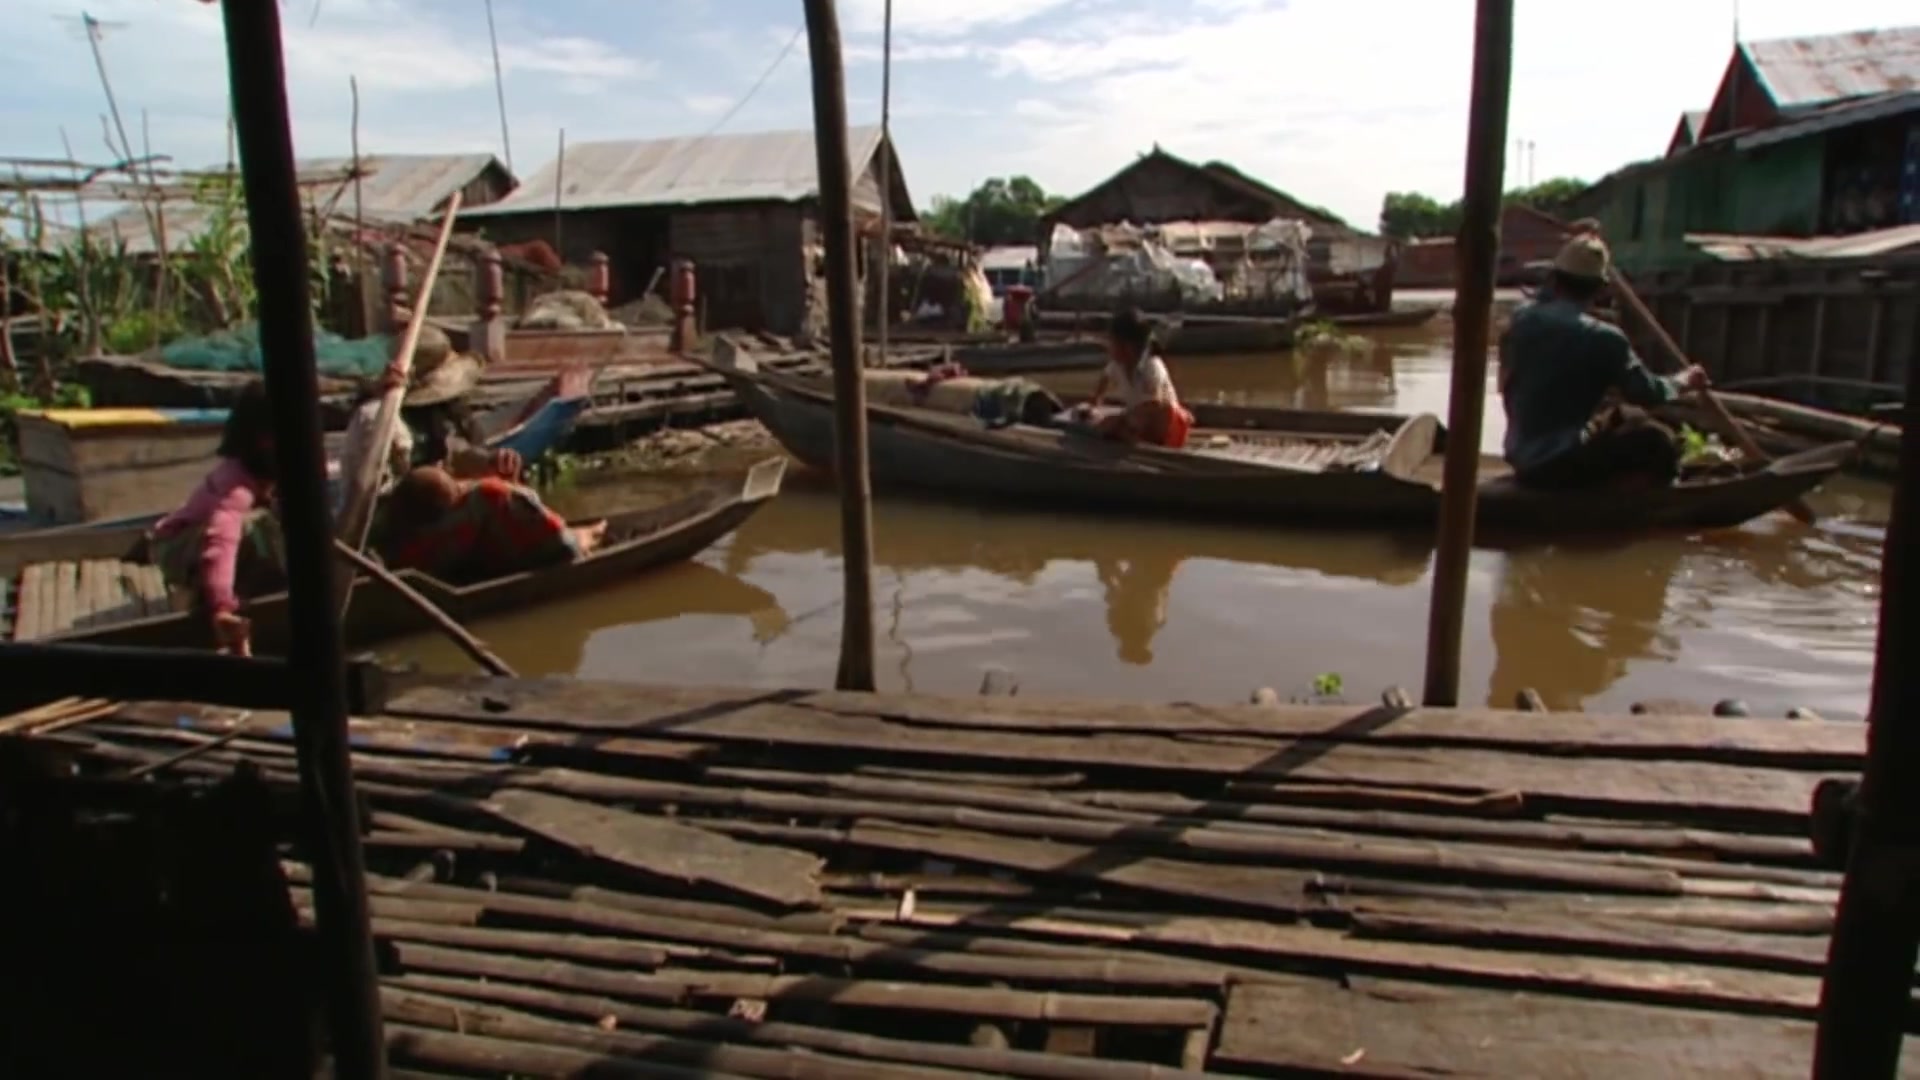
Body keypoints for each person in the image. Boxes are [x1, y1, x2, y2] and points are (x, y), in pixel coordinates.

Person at [1499, 233, 1710, 491]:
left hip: (1520, 456)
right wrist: (1685, 379)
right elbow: (1649, 393)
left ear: (1554, 279)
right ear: (1601, 289)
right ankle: (1631, 498)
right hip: (1554, 465)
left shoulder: (1521, 319)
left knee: (1627, 415)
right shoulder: (1606, 338)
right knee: (1659, 441)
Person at [147, 380, 286, 656]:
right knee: (255, 525)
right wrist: (222, 608)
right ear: (262, 439)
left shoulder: (269, 474)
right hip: (175, 548)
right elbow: (220, 543)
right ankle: (208, 598)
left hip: (208, 544)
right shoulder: (235, 487)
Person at [338, 325, 522, 506]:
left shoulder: (440, 415)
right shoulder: (377, 419)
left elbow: (455, 451)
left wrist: (490, 461)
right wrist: (434, 483)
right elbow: (380, 499)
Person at [380, 465, 608, 583]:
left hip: (535, 547)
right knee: (576, 537)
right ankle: (592, 533)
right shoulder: (448, 522)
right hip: (506, 552)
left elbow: (557, 537)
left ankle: (593, 533)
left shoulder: (490, 496)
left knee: (576, 539)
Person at [1078, 307, 1195, 449]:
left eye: (1112, 342)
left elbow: (1154, 404)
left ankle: (1140, 443)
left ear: (1128, 346)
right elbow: (1105, 377)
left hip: (1167, 427)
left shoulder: (1151, 366)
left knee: (1119, 426)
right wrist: (1095, 402)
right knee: (1110, 426)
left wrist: (1121, 419)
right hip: (1138, 420)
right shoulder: (1118, 364)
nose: (1109, 347)